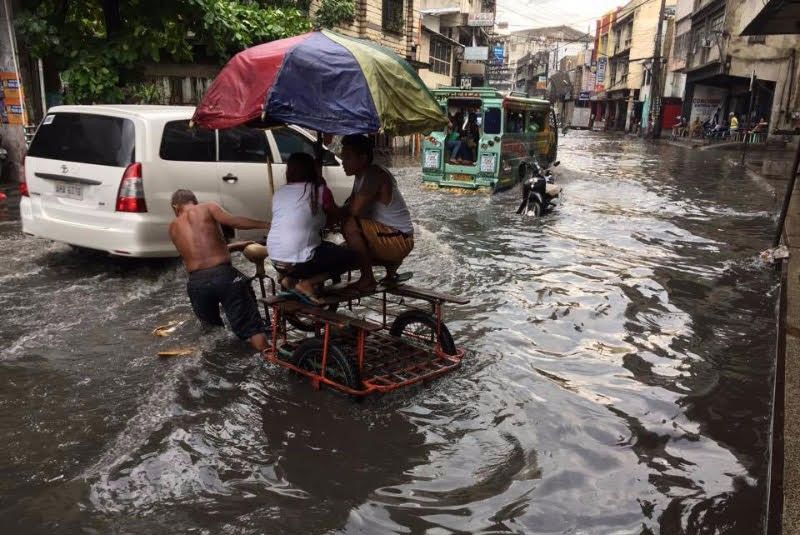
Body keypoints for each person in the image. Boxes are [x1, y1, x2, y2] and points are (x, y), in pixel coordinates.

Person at [169, 190, 269, 351]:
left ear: (175, 207)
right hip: (224, 277)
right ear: (194, 201)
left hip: (197, 284)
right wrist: (267, 225)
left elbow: (197, 253)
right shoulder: (208, 207)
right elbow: (234, 222)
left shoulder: (172, 228)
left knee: (213, 334)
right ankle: (268, 358)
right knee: (253, 328)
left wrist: (236, 246)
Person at [267, 152, 357, 303]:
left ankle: (288, 279)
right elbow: (338, 213)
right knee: (352, 257)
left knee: (317, 247)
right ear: (312, 170)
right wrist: (351, 206)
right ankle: (307, 283)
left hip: (275, 259)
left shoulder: (280, 192)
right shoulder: (320, 191)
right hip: (301, 262)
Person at [339, 134, 414, 292]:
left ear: (363, 158)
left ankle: (367, 279)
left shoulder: (373, 175)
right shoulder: (361, 176)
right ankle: (390, 269)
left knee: (349, 225)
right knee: (347, 247)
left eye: (347, 157)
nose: (343, 162)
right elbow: (349, 205)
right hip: (395, 236)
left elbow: (353, 211)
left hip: (399, 240)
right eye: (342, 156)